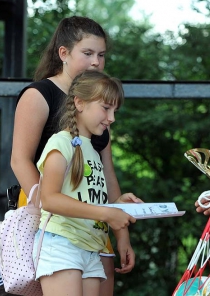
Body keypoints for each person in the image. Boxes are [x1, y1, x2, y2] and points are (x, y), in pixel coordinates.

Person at [10, 16, 139, 295]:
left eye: (101, 55)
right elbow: (19, 160)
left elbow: (107, 175)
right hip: (54, 223)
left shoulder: (100, 110)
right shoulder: (39, 95)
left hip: (93, 225)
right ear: (64, 54)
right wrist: (44, 209)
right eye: (88, 53)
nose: (96, 62)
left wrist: (121, 233)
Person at [33, 70, 136, 296]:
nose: (112, 118)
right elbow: (49, 200)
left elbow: (87, 198)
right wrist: (106, 213)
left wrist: (119, 203)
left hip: (91, 248)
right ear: (79, 103)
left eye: (115, 111)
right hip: (62, 244)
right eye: (106, 108)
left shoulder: (92, 149)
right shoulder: (61, 142)